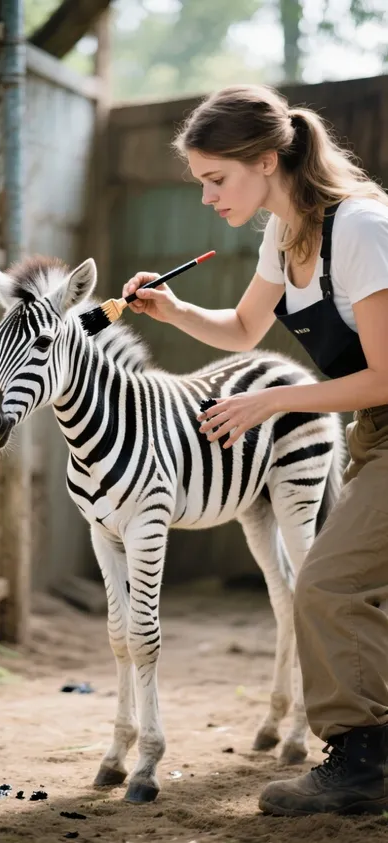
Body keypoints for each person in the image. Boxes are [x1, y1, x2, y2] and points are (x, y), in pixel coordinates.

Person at [121, 84, 388, 817]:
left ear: (267, 160)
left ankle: (362, 760)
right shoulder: (284, 230)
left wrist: (270, 401)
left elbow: (385, 374)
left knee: (326, 584)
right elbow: (242, 329)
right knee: (354, 587)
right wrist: (174, 310)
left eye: (216, 179)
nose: (208, 198)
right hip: (374, 426)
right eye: (202, 182)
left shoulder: (360, 229)